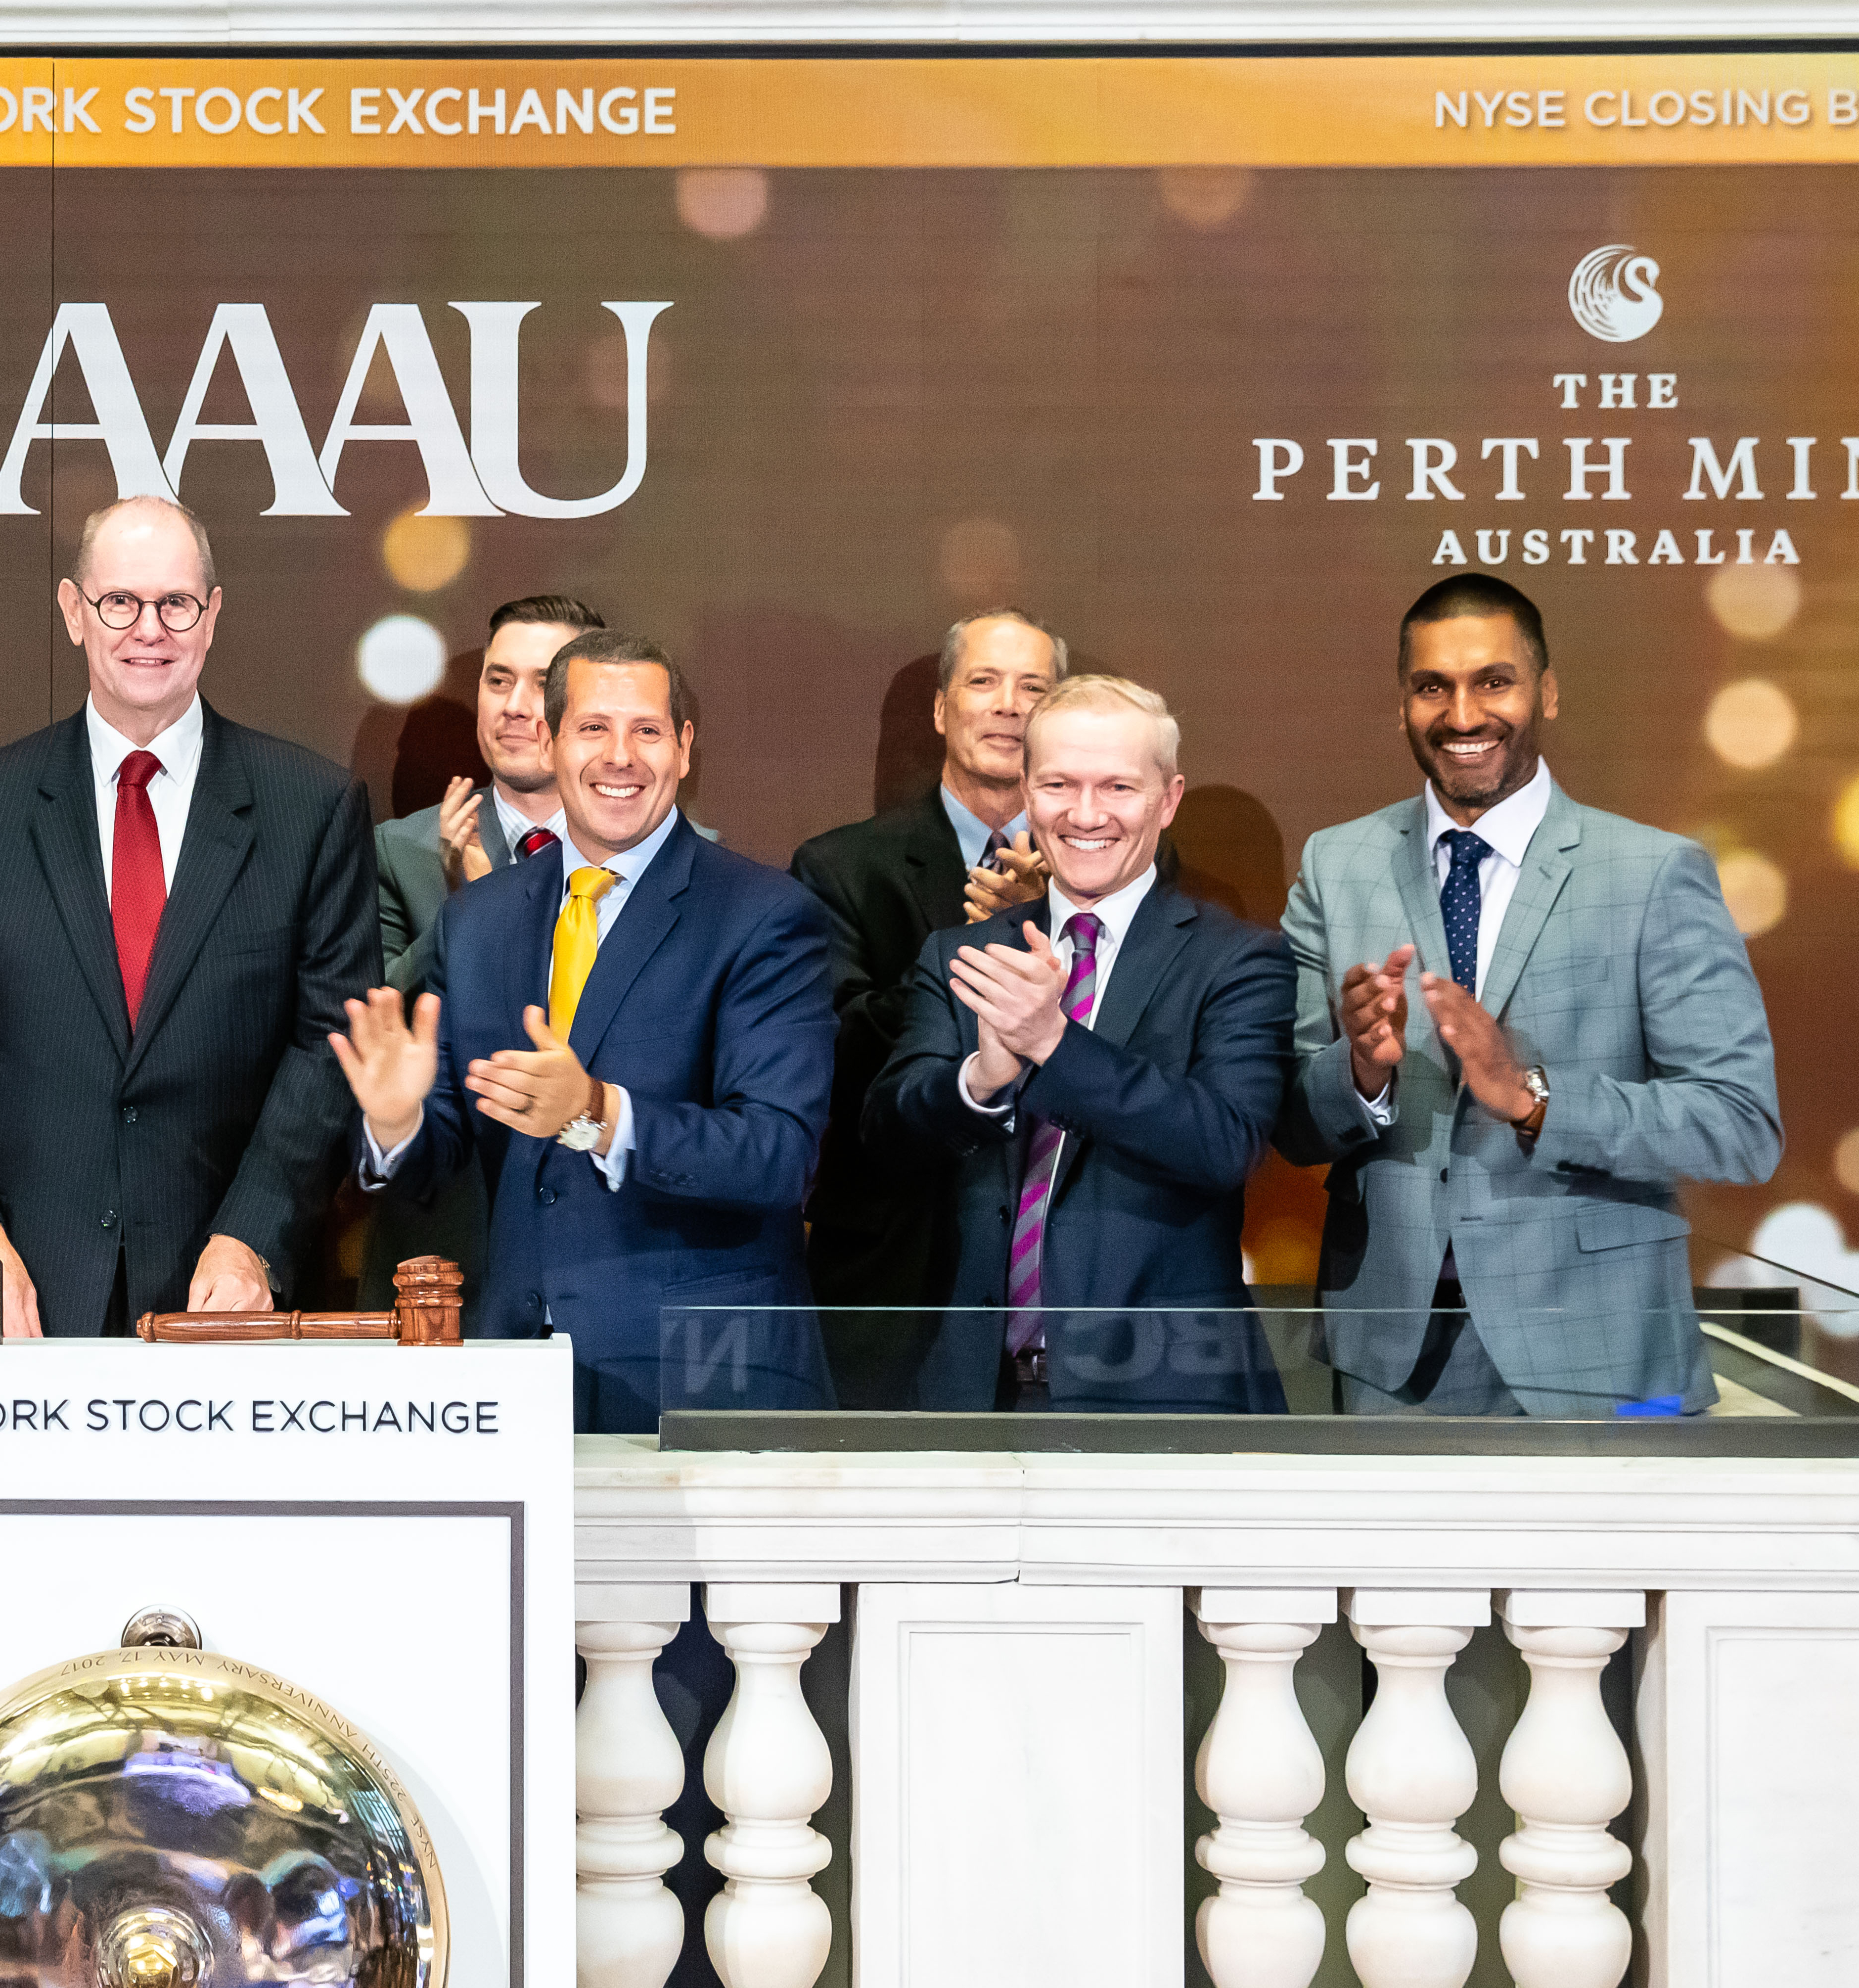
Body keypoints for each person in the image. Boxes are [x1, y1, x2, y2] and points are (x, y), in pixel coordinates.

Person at [1277, 573, 1782, 1415]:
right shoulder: (1337, 864)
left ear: (1545, 693)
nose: (1463, 715)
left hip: (1597, 1349)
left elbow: (1738, 1125)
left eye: (1493, 681)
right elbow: (1290, 1120)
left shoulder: (1653, 873)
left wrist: (1532, 1099)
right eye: (1432, 686)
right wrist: (1358, 1071)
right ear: (1402, 701)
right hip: (1392, 1358)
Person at [0, 495, 373, 1337]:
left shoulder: (311, 807)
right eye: (121, 604)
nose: (151, 630)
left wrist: (252, 1234)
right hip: (26, 1301)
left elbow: (328, 1049)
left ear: (211, 617)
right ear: (74, 613)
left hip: (228, 1306)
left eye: (175, 603)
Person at [328, 631, 836, 1431]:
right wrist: (396, 1124)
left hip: (702, 1382)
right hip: (519, 1380)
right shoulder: (482, 919)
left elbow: (778, 1157)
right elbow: (448, 1149)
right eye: (593, 729)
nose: (620, 757)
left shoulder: (764, 916)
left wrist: (601, 1114)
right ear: (553, 741)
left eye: (646, 731)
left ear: (684, 747)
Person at [871, 678, 1293, 1414]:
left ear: (1166, 800)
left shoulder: (1236, 960)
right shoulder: (960, 955)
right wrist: (982, 1079)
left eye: (1118, 787)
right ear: (1028, 796)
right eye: (1058, 784)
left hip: (1165, 1394)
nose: (1086, 814)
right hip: (972, 1398)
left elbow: (1223, 1144)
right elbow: (887, 1141)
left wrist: (1051, 1043)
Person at [789, 609, 1068, 1357]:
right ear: (943, 710)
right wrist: (982, 947)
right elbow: (836, 1051)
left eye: (1032, 687)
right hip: (897, 1264)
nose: (1008, 703)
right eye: (984, 681)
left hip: (1065, 1278)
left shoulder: (1118, 872)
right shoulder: (841, 869)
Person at [360, 593, 604, 1308]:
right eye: (498, 681)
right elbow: (373, 1039)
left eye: (542, 682)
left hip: (608, 1249)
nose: (516, 706)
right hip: (444, 1257)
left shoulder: (674, 863)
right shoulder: (398, 851)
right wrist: (465, 910)